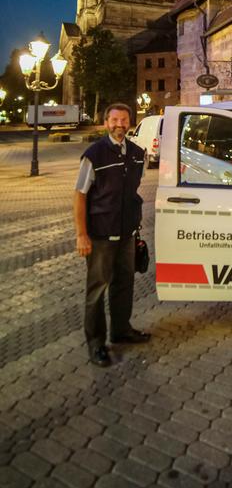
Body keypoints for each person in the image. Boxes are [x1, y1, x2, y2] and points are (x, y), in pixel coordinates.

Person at [73, 102, 150, 366]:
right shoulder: (94, 154)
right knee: (97, 290)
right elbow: (80, 195)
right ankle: (96, 344)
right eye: (114, 120)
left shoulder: (138, 154)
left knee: (124, 284)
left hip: (127, 233)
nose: (119, 124)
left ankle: (121, 330)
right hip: (101, 235)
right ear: (106, 123)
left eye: (124, 120)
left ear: (130, 122)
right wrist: (81, 235)